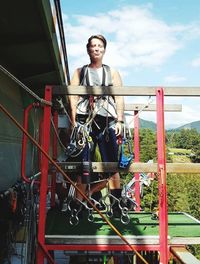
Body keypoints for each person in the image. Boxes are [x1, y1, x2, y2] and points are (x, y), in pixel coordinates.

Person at [69, 34, 124, 217]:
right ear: (88, 49)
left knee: (111, 165)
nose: (96, 49)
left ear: (104, 49)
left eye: (99, 46)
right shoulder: (80, 72)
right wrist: (74, 121)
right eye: (93, 46)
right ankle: (79, 203)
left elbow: (119, 97)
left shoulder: (112, 73)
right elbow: (73, 96)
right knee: (84, 165)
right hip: (85, 121)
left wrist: (121, 121)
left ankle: (116, 204)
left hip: (106, 120)